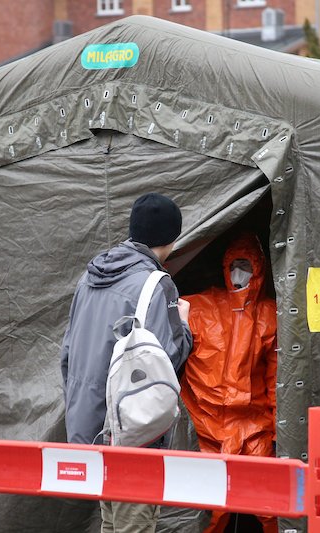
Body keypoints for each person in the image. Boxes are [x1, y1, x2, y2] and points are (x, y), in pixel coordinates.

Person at [60, 192, 193, 533]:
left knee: (110, 519)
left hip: (93, 424)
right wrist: (185, 325)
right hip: (134, 431)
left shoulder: (89, 276)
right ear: (172, 238)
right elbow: (167, 361)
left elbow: (67, 353)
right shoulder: (157, 285)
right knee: (134, 522)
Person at [180, 233, 277, 533]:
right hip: (205, 425)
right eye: (234, 265)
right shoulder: (198, 308)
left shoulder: (269, 314)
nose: (240, 274)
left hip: (253, 427)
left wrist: (278, 428)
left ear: (259, 268)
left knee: (274, 504)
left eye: (246, 266)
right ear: (224, 266)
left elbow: (276, 379)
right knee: (207, 511)